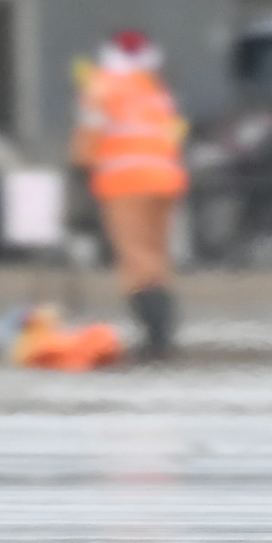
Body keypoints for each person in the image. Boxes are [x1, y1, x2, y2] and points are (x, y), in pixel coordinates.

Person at [74, 29, 188, 358]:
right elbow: (171, 133)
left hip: (126, 184)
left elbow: (90, 134)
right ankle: (163, 334)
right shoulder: (154, 88)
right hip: (165, 180)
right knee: (157, 259)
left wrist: (79, 168)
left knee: (136, 260)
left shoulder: (102, 84)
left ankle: (157, 341)